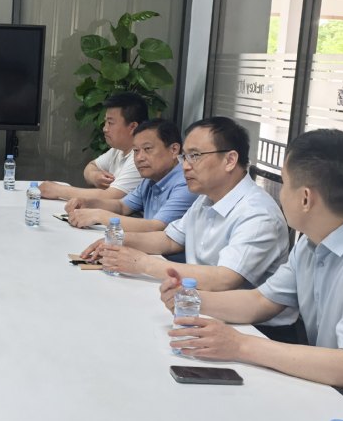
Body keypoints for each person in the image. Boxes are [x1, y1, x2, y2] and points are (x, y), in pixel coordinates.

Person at [159, 129, 343, 421]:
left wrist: (239, 345)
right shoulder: (311, 243)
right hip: (330, 402)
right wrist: (191, 299)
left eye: (284, 184)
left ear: (305, 198)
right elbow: (261, 302)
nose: (279, 195)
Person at [81, 116, 290, 297]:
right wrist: (117, 241)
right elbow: (170, 239)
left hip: (248, 324)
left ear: (230, 160)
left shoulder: (258, 213)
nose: (185, 165)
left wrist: (144, 264)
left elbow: (224, 278)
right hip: (195, 300)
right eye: (186, 156)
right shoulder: (207, 197)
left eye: (195, 156)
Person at [63, 119, 195, 232]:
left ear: (174, 150)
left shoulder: (186, 182)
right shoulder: (151, 179)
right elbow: (122, 206)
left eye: (147, 149)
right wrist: (88, 202)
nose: (139, 158)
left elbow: (156, 226)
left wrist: (99, 216)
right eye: (136, 151)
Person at [38, 92, 148, 201]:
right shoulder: (118, 150)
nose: (105, 129)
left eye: (110, 123)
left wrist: (58, 191)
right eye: (105, 122)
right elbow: (91, 166)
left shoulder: (140, 158)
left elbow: (110, 197)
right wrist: (95, 176)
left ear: (132, 127)